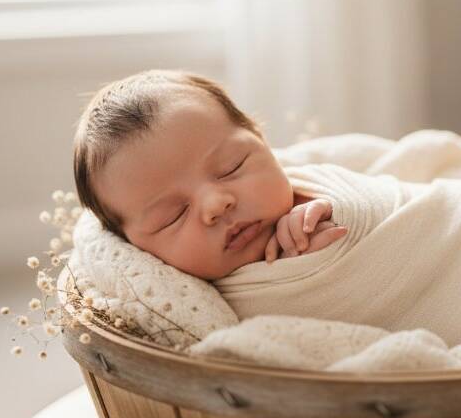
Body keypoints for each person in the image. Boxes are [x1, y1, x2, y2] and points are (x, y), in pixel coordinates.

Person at [73, 69, 348, 281]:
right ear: (135, 248)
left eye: (232, 167)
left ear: (261, 140)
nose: (216, 205)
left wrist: (337, 209)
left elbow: (372, 199)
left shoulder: (320, 182)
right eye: (173, 215)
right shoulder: (187, 307)